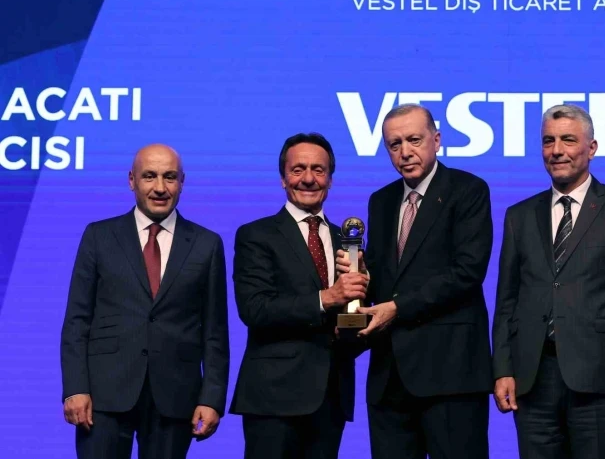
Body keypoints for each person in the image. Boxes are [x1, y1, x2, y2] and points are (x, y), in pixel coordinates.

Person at [492, 104, 605, 459]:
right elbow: (507, 300)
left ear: (591, 148)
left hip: (603, 380)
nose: (556, 150)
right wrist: (502, 369)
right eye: (548, 141)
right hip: (533, 380)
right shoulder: (519, 216)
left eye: (568, 140)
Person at [340, 104, 493, 459]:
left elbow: (467, 272)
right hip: (390, 376)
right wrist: (362, 275)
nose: (405, 152)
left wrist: (397, 307)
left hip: (451, 373)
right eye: (394, 144)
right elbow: (386, 277)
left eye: (414, 140)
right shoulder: (381, 200)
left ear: (436, 140)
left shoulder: (468, 190)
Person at [60, 144, 230, 459]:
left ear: (182, 182)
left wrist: (212, 399)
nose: (160, 187)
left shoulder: (207, 244)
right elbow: (77, 321)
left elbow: (215, 332)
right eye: (149, 176)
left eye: (170, 177)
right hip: (104, 395)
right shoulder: (98, 236)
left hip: (175, 395)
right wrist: (75, 388)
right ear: (132, 180)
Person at [229, 132, 369, 459]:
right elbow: (254, 309)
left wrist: (363, 300)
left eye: (318, 170)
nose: (308, 179)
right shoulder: (256, 235)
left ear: (330, 179)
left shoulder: (347, 240)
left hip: (331, 397)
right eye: (298, 170)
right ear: (283, 179)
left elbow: (355, 316)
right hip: (273, 398)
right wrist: (326, 298)